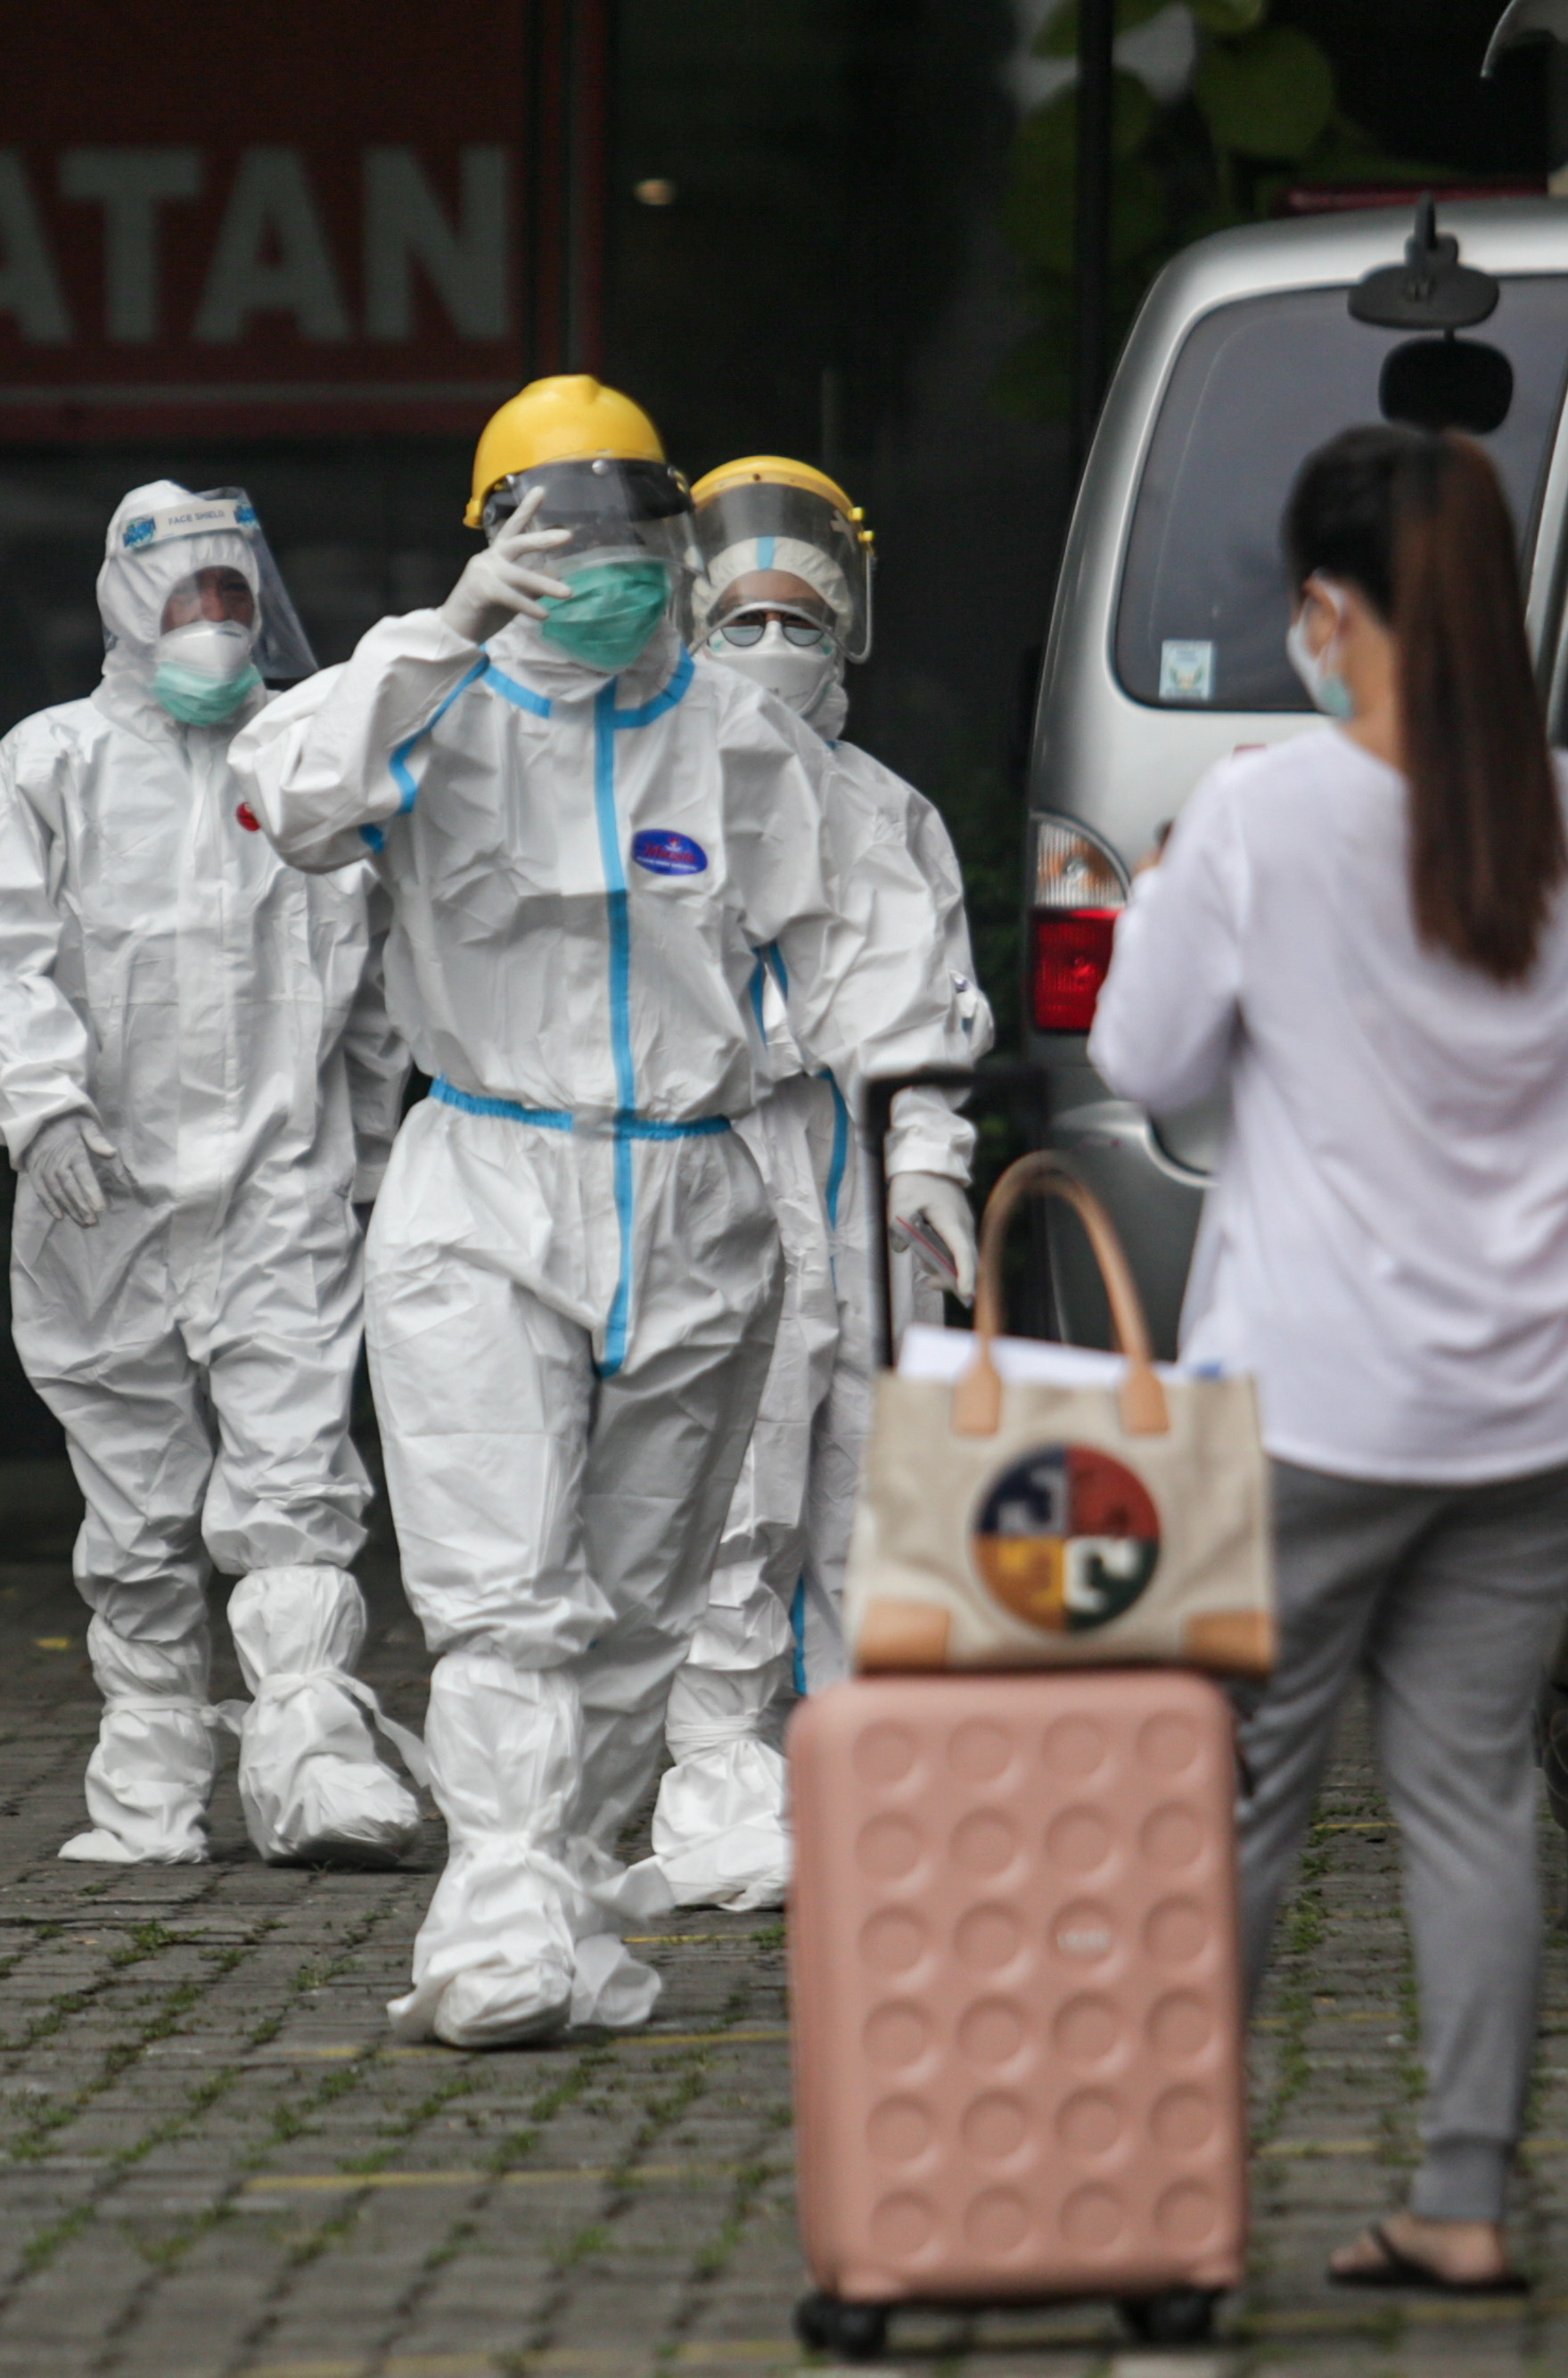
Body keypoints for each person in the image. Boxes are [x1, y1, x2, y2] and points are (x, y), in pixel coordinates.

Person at [235, 378, 965, 2047]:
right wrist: (441, 637)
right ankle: (495, 1910)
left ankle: (557, 1891)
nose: (607, 565)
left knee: (643, 1595)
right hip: (484, 1184)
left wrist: (919, 1150)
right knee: (501, 1587)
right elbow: (286, 801)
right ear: (497, 543)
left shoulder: (736, 731)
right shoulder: (425, 709)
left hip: (700, 1190)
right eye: (559, 534)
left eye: (635, 532)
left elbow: (862, 947)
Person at [1090, 424, 1568, 2292]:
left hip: (1311, 1408)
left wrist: (1166, 888)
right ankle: (1466, 2197)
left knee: (1235, 1795)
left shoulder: (1258, 816)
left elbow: (1143, 1066)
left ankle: (1181, 2216)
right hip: (1537, 1397)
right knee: (1471, 1790)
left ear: (1330, 612)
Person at [0, 481, 423, 1871]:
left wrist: (372, 1155)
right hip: (104, 1199)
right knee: (139, 1505)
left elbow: (375, 981)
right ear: (126, 611)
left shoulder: (301, 764)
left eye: (232, 597)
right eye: (187, 601)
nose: (215, 625)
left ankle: (312, 1756)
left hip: (282, 1185)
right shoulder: (53, 764)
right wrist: (40, 1107)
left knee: (295, 1479)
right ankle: (148, 1781)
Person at [648, 457, 991, 1913]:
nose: (776, 642)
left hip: (855, 1183)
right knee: (725, 1490)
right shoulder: (645, 787)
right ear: (692, 620)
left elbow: (933, 1009)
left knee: (864, 1486)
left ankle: (861, 1772)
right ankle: (717, 1783)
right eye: (748, 617)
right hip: (711, 1168)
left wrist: (931, 1166)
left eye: (802, 616)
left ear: (845, 628)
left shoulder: (888, 813)